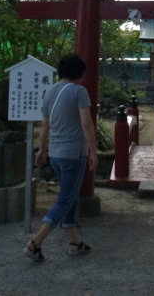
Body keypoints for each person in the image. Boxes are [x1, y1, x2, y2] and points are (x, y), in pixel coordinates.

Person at [23, 53, 98, 263]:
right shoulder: (79, 91)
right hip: (73, 154)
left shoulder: (50, 91)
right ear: (79, 72)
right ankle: (36, 242)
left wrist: (42, 150)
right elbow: (86, 123)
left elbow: (45, 124)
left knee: (70, 197)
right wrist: (93, 151)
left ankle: (75, 242)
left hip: (55, 153)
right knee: (66, 198)